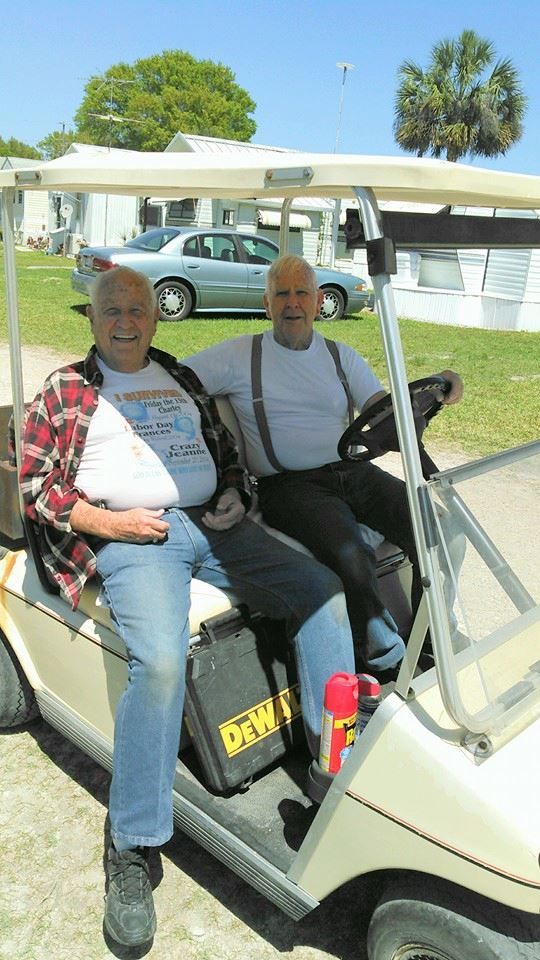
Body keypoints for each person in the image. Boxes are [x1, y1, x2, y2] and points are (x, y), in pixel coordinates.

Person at [19, 266, 355, 947]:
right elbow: (33, 486)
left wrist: (232, 490)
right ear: (92, 317)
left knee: (323, 592)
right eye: (112, 308)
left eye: (137, 309)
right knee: (164, 663)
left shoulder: (179, 376)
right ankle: (133, 843)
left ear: (155, 317)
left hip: (215, 523)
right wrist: (108, 524)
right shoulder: (65, 390)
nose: (125, 320)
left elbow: (225, 453)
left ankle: (330, 767)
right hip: (133, 541)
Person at [184, 254, 464, 674]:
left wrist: (437, 388)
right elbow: (177, 378)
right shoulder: (240, 355)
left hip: (350, 470)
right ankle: (387, 662)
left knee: (436, 527)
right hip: (289, 485)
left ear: (318, 302)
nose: (292, 303)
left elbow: (380, 409)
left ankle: (429, 636)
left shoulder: (340, 356)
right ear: (267, 304)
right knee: (351, 556)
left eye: (302, 293)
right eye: (282, 294)